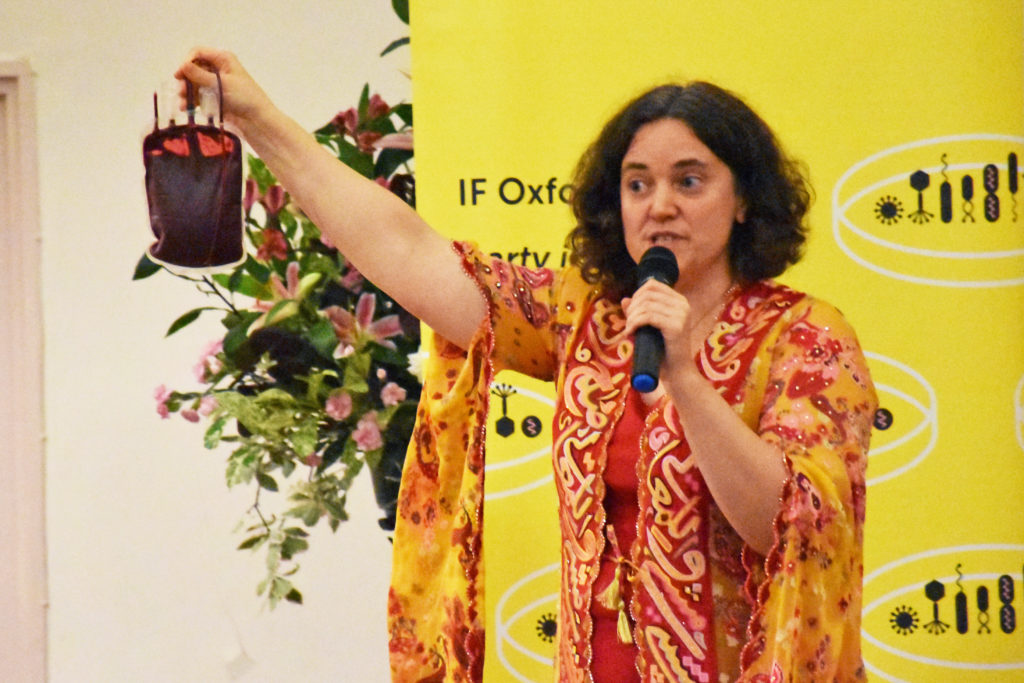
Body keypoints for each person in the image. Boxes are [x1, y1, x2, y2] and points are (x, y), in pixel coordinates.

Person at [176, 49, 877, 682]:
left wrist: (687, 379)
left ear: (745, 197)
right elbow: (413, 256)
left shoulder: (806, 337)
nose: (660, 205)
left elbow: (792, 528)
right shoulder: (584, 318)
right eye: (638, 185)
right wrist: (258, 120)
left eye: (689, 181)